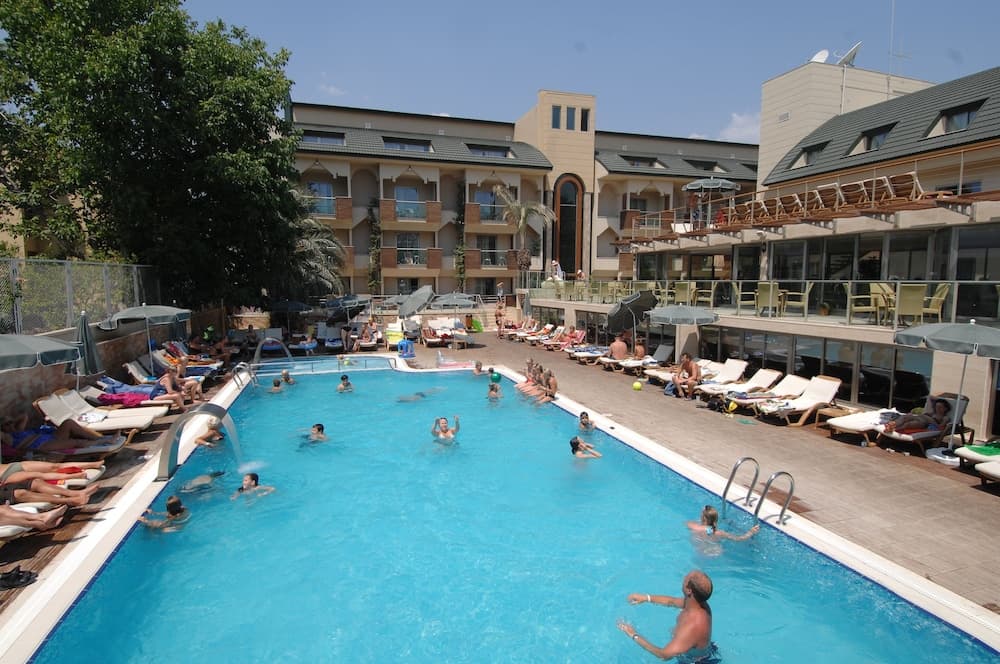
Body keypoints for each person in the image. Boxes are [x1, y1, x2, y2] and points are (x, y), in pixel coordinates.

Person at [618, 570, 716, 661]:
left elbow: (664, 655)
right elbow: (671, 601)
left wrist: (633, 634)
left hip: (695, 661)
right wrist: (646, 598)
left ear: (688, 590)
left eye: (686, 578)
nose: (683, 577)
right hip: (700, 650)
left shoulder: (692, 626)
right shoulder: (696, 604)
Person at [1, 414, 127, 454]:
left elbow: (24, 416)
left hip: (51, 437)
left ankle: (99, 438)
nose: (10, 425)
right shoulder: (8, 437)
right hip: (41, 445)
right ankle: (105, 441)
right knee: (75, 442)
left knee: (68, 422)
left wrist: (11, 421)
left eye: (11, 422)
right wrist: (5, 427)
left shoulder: (18, 430)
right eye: (7, 424)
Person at [687, 505, 760, 542]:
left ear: (703, 518)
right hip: (714, 552)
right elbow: (738, 539)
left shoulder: (693, 526)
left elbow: (707, 529)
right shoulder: (719, 533)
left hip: (699, 552)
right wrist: (751, 532)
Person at [883, 398, 952, 433]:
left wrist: (930, 419)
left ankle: (893, 429)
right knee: (904, 417)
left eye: (940, 407)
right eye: (937, 406)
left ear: (945, 408)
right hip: (919, 418)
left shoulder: (945, 417)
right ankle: (892, 425)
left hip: (924, 423)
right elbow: (931, 398)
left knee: (907, 424)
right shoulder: (932, 413)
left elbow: (940, 427)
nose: (938, 408)